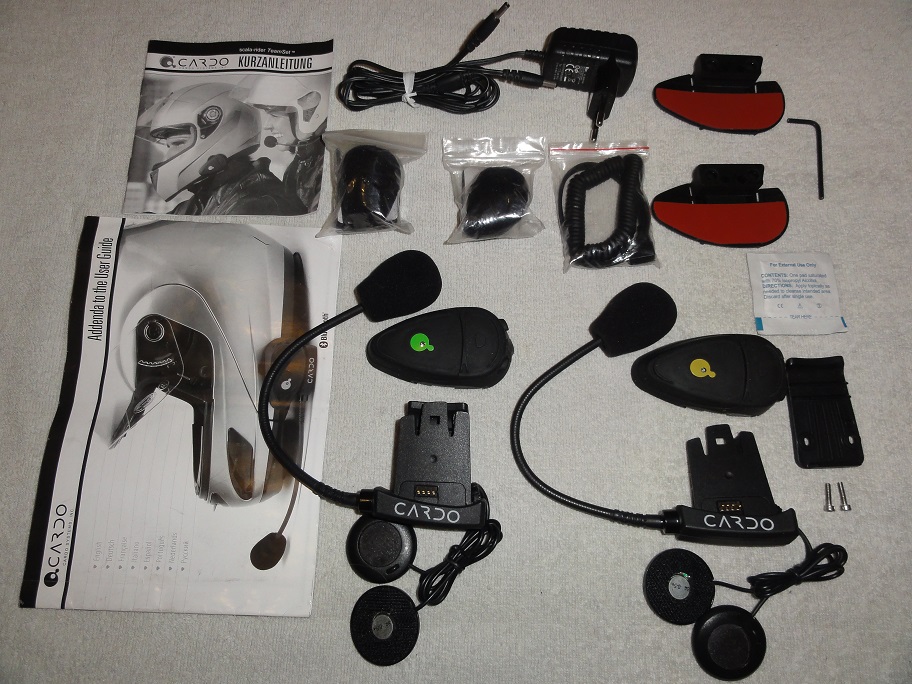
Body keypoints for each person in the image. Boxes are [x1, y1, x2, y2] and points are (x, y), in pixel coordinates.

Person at [144, 82, 304, 216]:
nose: (168, 156)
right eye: (168, 146)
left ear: (220, 135)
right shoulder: (205, 198)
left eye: (178, 143)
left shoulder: (257, 203)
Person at [243, 74, 329, 213]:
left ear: (308, 113)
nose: (267, 125)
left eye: (274, 115)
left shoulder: (329, 164)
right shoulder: (301, 163)